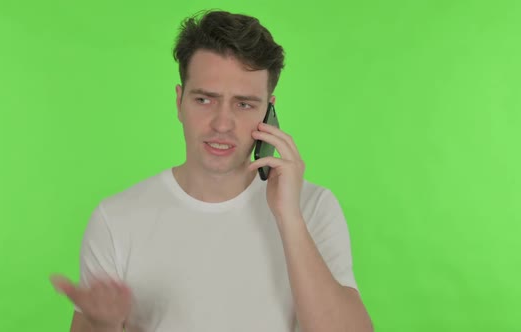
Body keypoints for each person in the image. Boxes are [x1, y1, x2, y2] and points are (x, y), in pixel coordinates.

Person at [51, 10, 373, 332]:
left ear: (269, 110)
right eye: (205, 100)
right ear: (179, 102)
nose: (222, 124)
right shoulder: (115, 219)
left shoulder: (313, 207)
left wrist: (289, 218)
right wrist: (102, 324)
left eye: (244, 104)